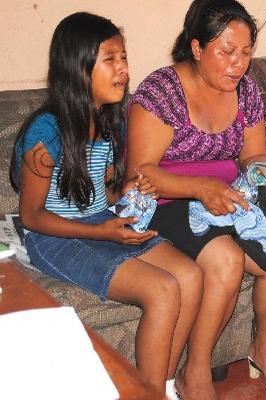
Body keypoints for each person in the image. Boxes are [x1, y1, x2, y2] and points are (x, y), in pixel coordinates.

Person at [9, 12, 205, 396]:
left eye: (124, 58)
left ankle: (161, 385)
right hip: (54, 236)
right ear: (78, 68)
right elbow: (32, 216)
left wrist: (132, 189)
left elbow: (105, 194)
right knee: (162, 289)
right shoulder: (45, 133)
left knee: (192, 276)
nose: (123, 69)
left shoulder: (109, 118)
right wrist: (101, 231)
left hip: (101, 220)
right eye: (110, 59)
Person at [126, 0, 266, 398]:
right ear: (196, 47)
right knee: (225, 259)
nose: (237, 64)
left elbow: (253, 154)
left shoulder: (247, 91)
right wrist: (201, 188)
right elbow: (142, 172)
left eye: (245, 52)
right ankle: (197, 369)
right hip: (167, 199)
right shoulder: (161, 92)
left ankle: (263, 343)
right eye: (226, 51)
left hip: (226, 197)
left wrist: (260, 170)